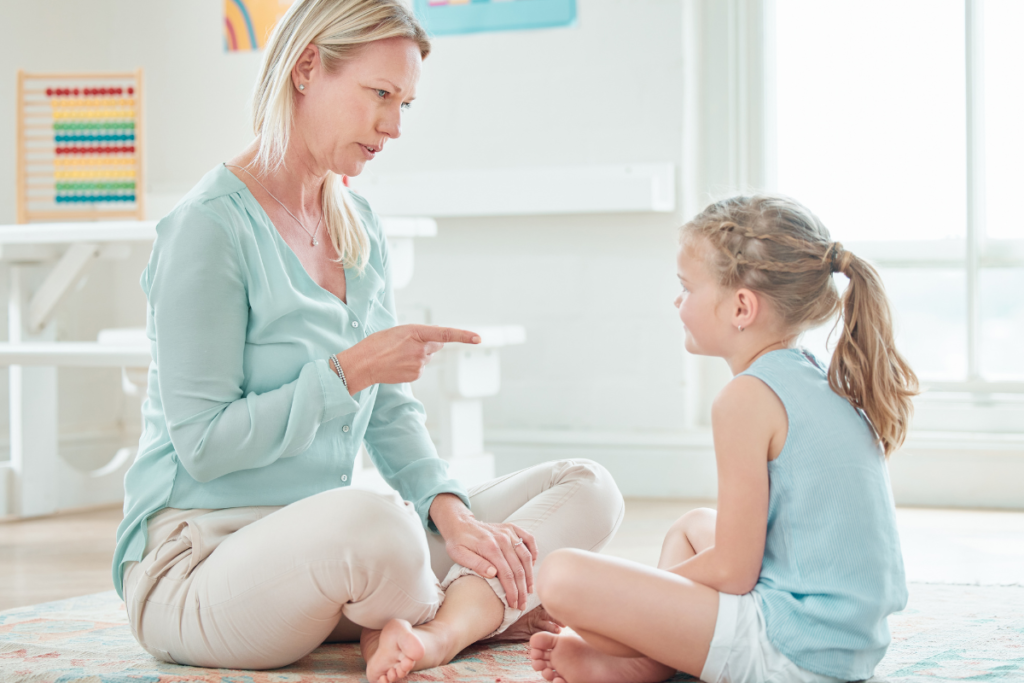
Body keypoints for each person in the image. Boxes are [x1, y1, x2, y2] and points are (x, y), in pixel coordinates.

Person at [112, 1, 624, 680]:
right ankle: (479, 613)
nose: (395, 125)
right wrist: (347, 371)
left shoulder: (356, 223)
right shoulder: (207, 228)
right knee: (380, 524)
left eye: (406, 102)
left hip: (321, 548)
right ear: (306, 69)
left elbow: (388, 410)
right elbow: (204, 447)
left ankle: (431, 627)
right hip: (199, 561)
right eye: (380, 94)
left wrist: (452, 514)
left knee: (588, 487)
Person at [529, 195, 916, 683]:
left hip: (792, 653)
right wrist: (647, 603)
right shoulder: (814, 376)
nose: (677, 301)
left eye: (687, 288)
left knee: (561, 575)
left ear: (741, 307)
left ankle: (646, 651)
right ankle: (650, 659)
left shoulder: (745, 398)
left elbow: (735, 569)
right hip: (847, 646)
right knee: (692, 527)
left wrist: (643, 599)